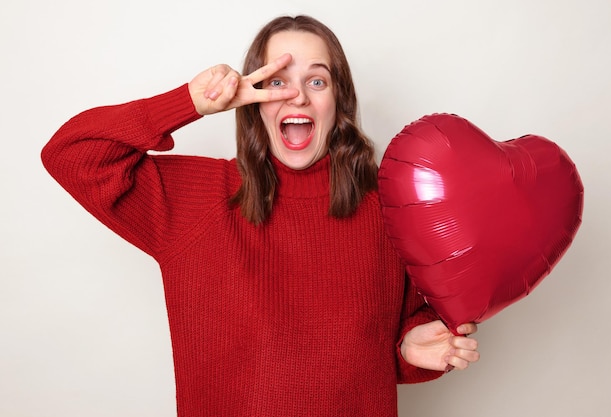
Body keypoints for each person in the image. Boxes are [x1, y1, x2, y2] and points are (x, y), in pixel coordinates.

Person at [42, 15, 479, 417]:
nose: (299, 96)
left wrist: (408, 347)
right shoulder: (196, 202)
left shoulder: (389, 209)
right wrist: (189, 102)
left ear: (339, 101)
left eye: (317, 81)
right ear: (252, 100)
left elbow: (376, 343)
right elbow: (71, 156)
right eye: (276, 81)